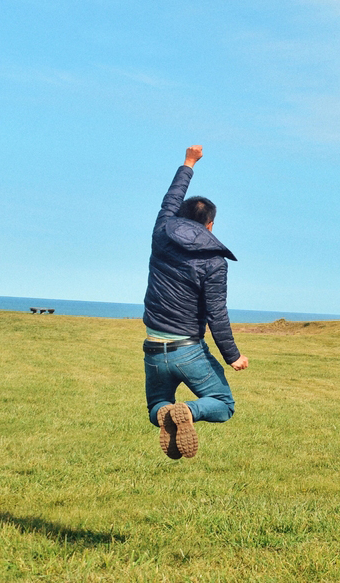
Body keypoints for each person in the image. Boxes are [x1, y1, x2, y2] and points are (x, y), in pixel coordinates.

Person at [142, 145, 248, 459]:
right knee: (224, 404)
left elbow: (170, 198)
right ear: (211, 225)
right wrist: (233, 356)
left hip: (153, 346)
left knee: (156, 406)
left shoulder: (162, 231)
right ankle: (187, 412)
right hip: (188, 349)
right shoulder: (214, 260)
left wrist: (189, 163)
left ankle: (167, 414)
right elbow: (216, 312)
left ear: (179, 217)